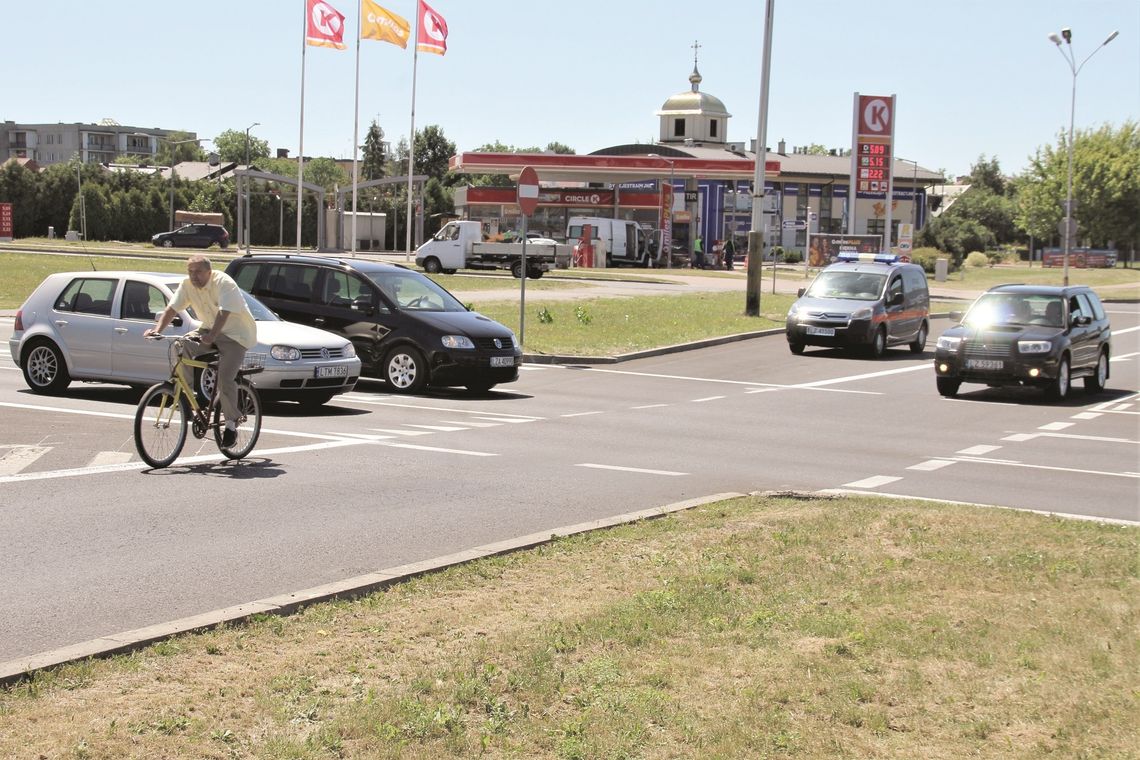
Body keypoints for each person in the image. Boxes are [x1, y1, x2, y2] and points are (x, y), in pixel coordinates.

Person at [146, 255, 257, 447]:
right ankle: (185, 395)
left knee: (225, 378)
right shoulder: (187, 285)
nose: (193, 276)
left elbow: (224, 313)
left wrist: (212, 336)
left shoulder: (223, 282)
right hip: (208, 329)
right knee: (181, 345)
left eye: (197, 272)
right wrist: (157, 330)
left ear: (209, 272)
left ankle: (231, 424)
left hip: (236, 335)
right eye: (190, 271)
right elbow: (172, 309)